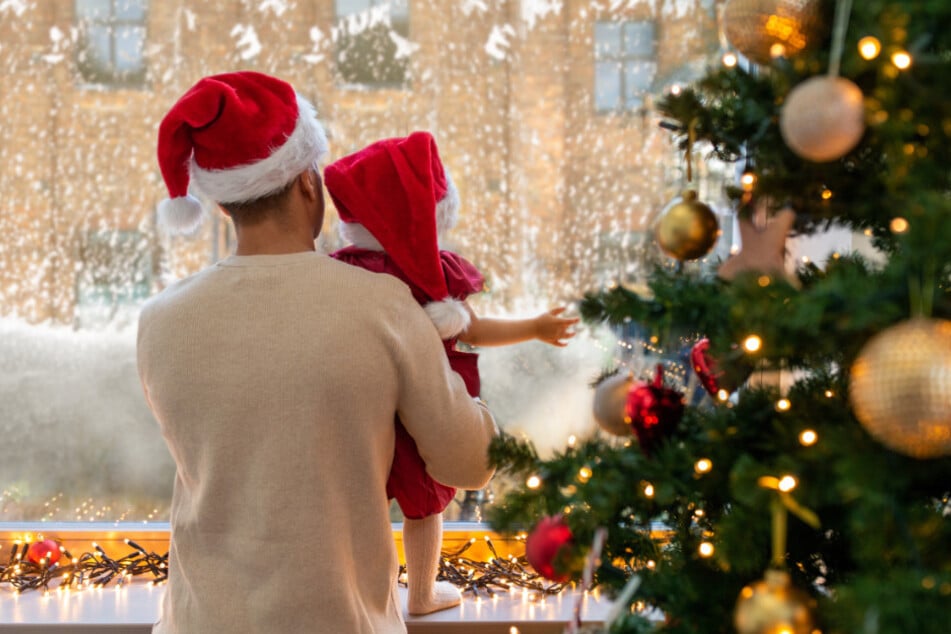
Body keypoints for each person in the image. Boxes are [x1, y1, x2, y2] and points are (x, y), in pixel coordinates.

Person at [138, 71, 498, 634]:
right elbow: (468, 461)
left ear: (226, 205)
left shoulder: (159, 320)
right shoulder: (382, 304)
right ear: (309, 182)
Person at [325, 131, 578, 615]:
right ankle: (420, 595)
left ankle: (363, 596)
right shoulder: (430, 275)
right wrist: (537, 327)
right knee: (426, 505)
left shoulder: (344, 270)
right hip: (422, 410)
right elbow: (474, 330)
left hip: (357, 407)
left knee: (361, 501)